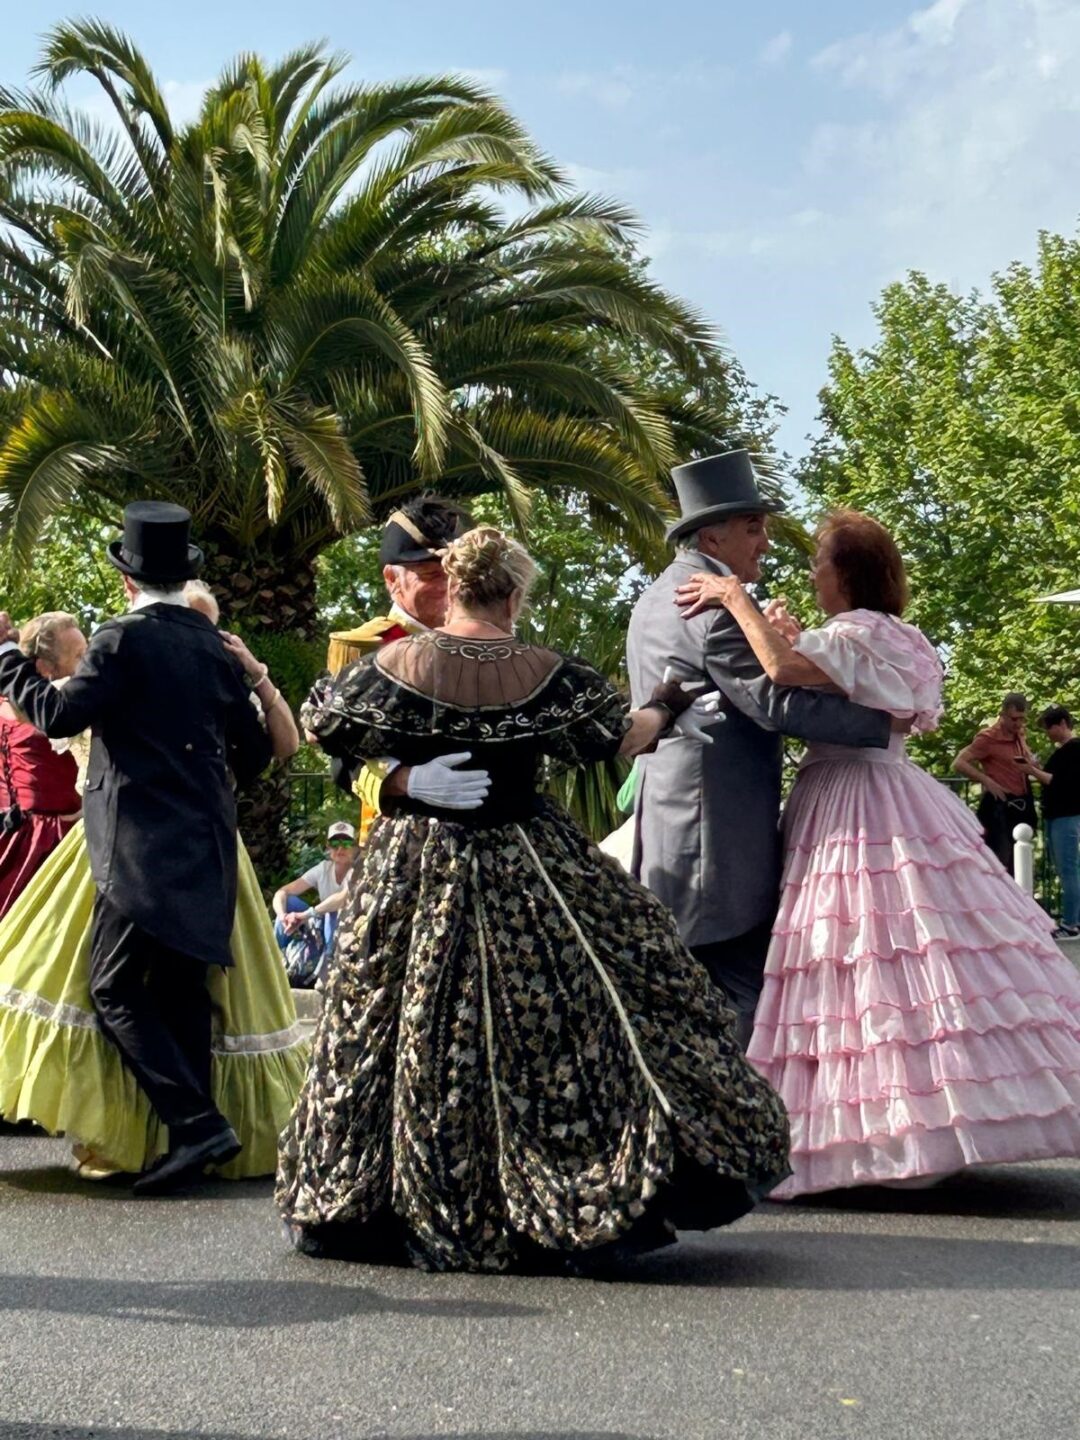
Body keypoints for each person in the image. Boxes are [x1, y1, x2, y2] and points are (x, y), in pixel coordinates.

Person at [277, 526, 789, 1273]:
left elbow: (328, 727)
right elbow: (620, 738)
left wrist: (402, 780)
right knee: (576, 1017)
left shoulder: (388, 665)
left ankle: (377, 1205)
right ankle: (577, 1189)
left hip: (414, 863)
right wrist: (670, 704)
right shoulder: (547, 672)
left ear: (452, 586)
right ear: (513, 594)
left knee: (396, 1022)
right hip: (528, 858)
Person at [678, 510, 1080, 1197]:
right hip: (901, 788)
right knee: (929, 955)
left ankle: (880, 1131)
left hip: (847, 794)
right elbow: (844, 678)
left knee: (858, 956)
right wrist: (793, 635)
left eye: (819, 564)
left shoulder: (852, 633)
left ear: (845, 573)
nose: (810, 573)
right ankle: (944, 1119)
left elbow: (779, 673)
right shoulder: (906, 637)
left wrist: (735, 600)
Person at [0, 501, 275, 1194]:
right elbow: (257, 749)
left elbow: (58, 714)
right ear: (184, 578)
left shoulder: (121, 641)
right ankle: (191, 1139)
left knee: (113, 985)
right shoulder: (212, 649)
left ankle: (195, 1125)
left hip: (138, 848)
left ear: (126, 581)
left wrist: (7, 658)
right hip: (206, 843)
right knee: (182, 992)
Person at [626, 449, 893, 1046]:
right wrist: (884, 719)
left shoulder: (653, 598)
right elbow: (775, 703)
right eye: (755, 528)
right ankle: (738, 1130)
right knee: (740, 1003)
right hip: (716, 845)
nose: (766, 545)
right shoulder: (709, 605)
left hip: (677, 833)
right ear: (713, 535)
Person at [322, 497, 479, 839]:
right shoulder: (366, 648)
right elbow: (342, 760)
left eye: (456, 574)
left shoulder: (486, 640)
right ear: (392, 579)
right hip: (399, 838)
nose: (450, 589)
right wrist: (407, 780)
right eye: (432, 575)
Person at [0, 613, 86, 917]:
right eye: (79, 656)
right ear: (44, 667)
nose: (87, 665)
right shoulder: (64, 709)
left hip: (55, 837)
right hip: (42, 842)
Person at [953, 693, 1038, 872]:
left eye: (1022, 719)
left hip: (1022, 804)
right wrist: (986, 781)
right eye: (1014, 719)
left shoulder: (1019, 734)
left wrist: (1031, 764)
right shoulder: (988, 738)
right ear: (1003, 715)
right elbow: (959, 762)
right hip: (999, 806)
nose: (1018, 724)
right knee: (998, 862)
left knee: (1021, 863)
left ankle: (1020, 899)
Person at [271, 821, 358, 981]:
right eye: (334, 843)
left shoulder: (357, 870)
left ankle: (330, 968)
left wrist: (306, 915)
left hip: (345, 928)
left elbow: (341, 899)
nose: (340, 849)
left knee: (332, 913)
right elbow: (282, 892)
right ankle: (275, 958)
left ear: (354, 847)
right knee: (289, 902)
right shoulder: (323, 868)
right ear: (328, 847)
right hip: (320, 921)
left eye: (346, 843)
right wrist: (284, 916)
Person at [1029, 706, 1080, 937]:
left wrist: (1029, 769)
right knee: (1064, 869)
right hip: (1057, 815)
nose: (1047, 734)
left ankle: (1071, 923)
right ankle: (1071, 920)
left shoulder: (1074, 749)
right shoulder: (1062, 751)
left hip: (1066, 816)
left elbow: (1057, 781)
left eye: (1049, 728)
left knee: (1068, 869)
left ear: (1061, 724)